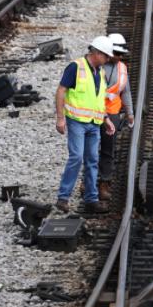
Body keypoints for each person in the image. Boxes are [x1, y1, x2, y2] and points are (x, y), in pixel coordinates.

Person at [54, 36, 116, 213]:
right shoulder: (76, 67)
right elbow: (61, 91)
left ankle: (91, 199)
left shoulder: (100, 72)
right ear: (96, 53)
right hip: (77, 122)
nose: (107, 59)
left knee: (92, 161)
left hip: (94, 123)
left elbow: (98, 100)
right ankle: (63, 198)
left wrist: (106, 118)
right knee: (76, 157)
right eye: (106, 56)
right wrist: (60, 118)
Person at [98, 33, 135, 201]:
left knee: (108, 150)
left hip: (112, 113)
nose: (119, 57)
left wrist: (129, 113)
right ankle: (89, 182)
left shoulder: (122, 68)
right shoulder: (97, 66)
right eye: (116, 53)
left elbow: (125, 92)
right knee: (90, 150)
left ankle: (104, 183)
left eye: (121, 54)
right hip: (93, 112)